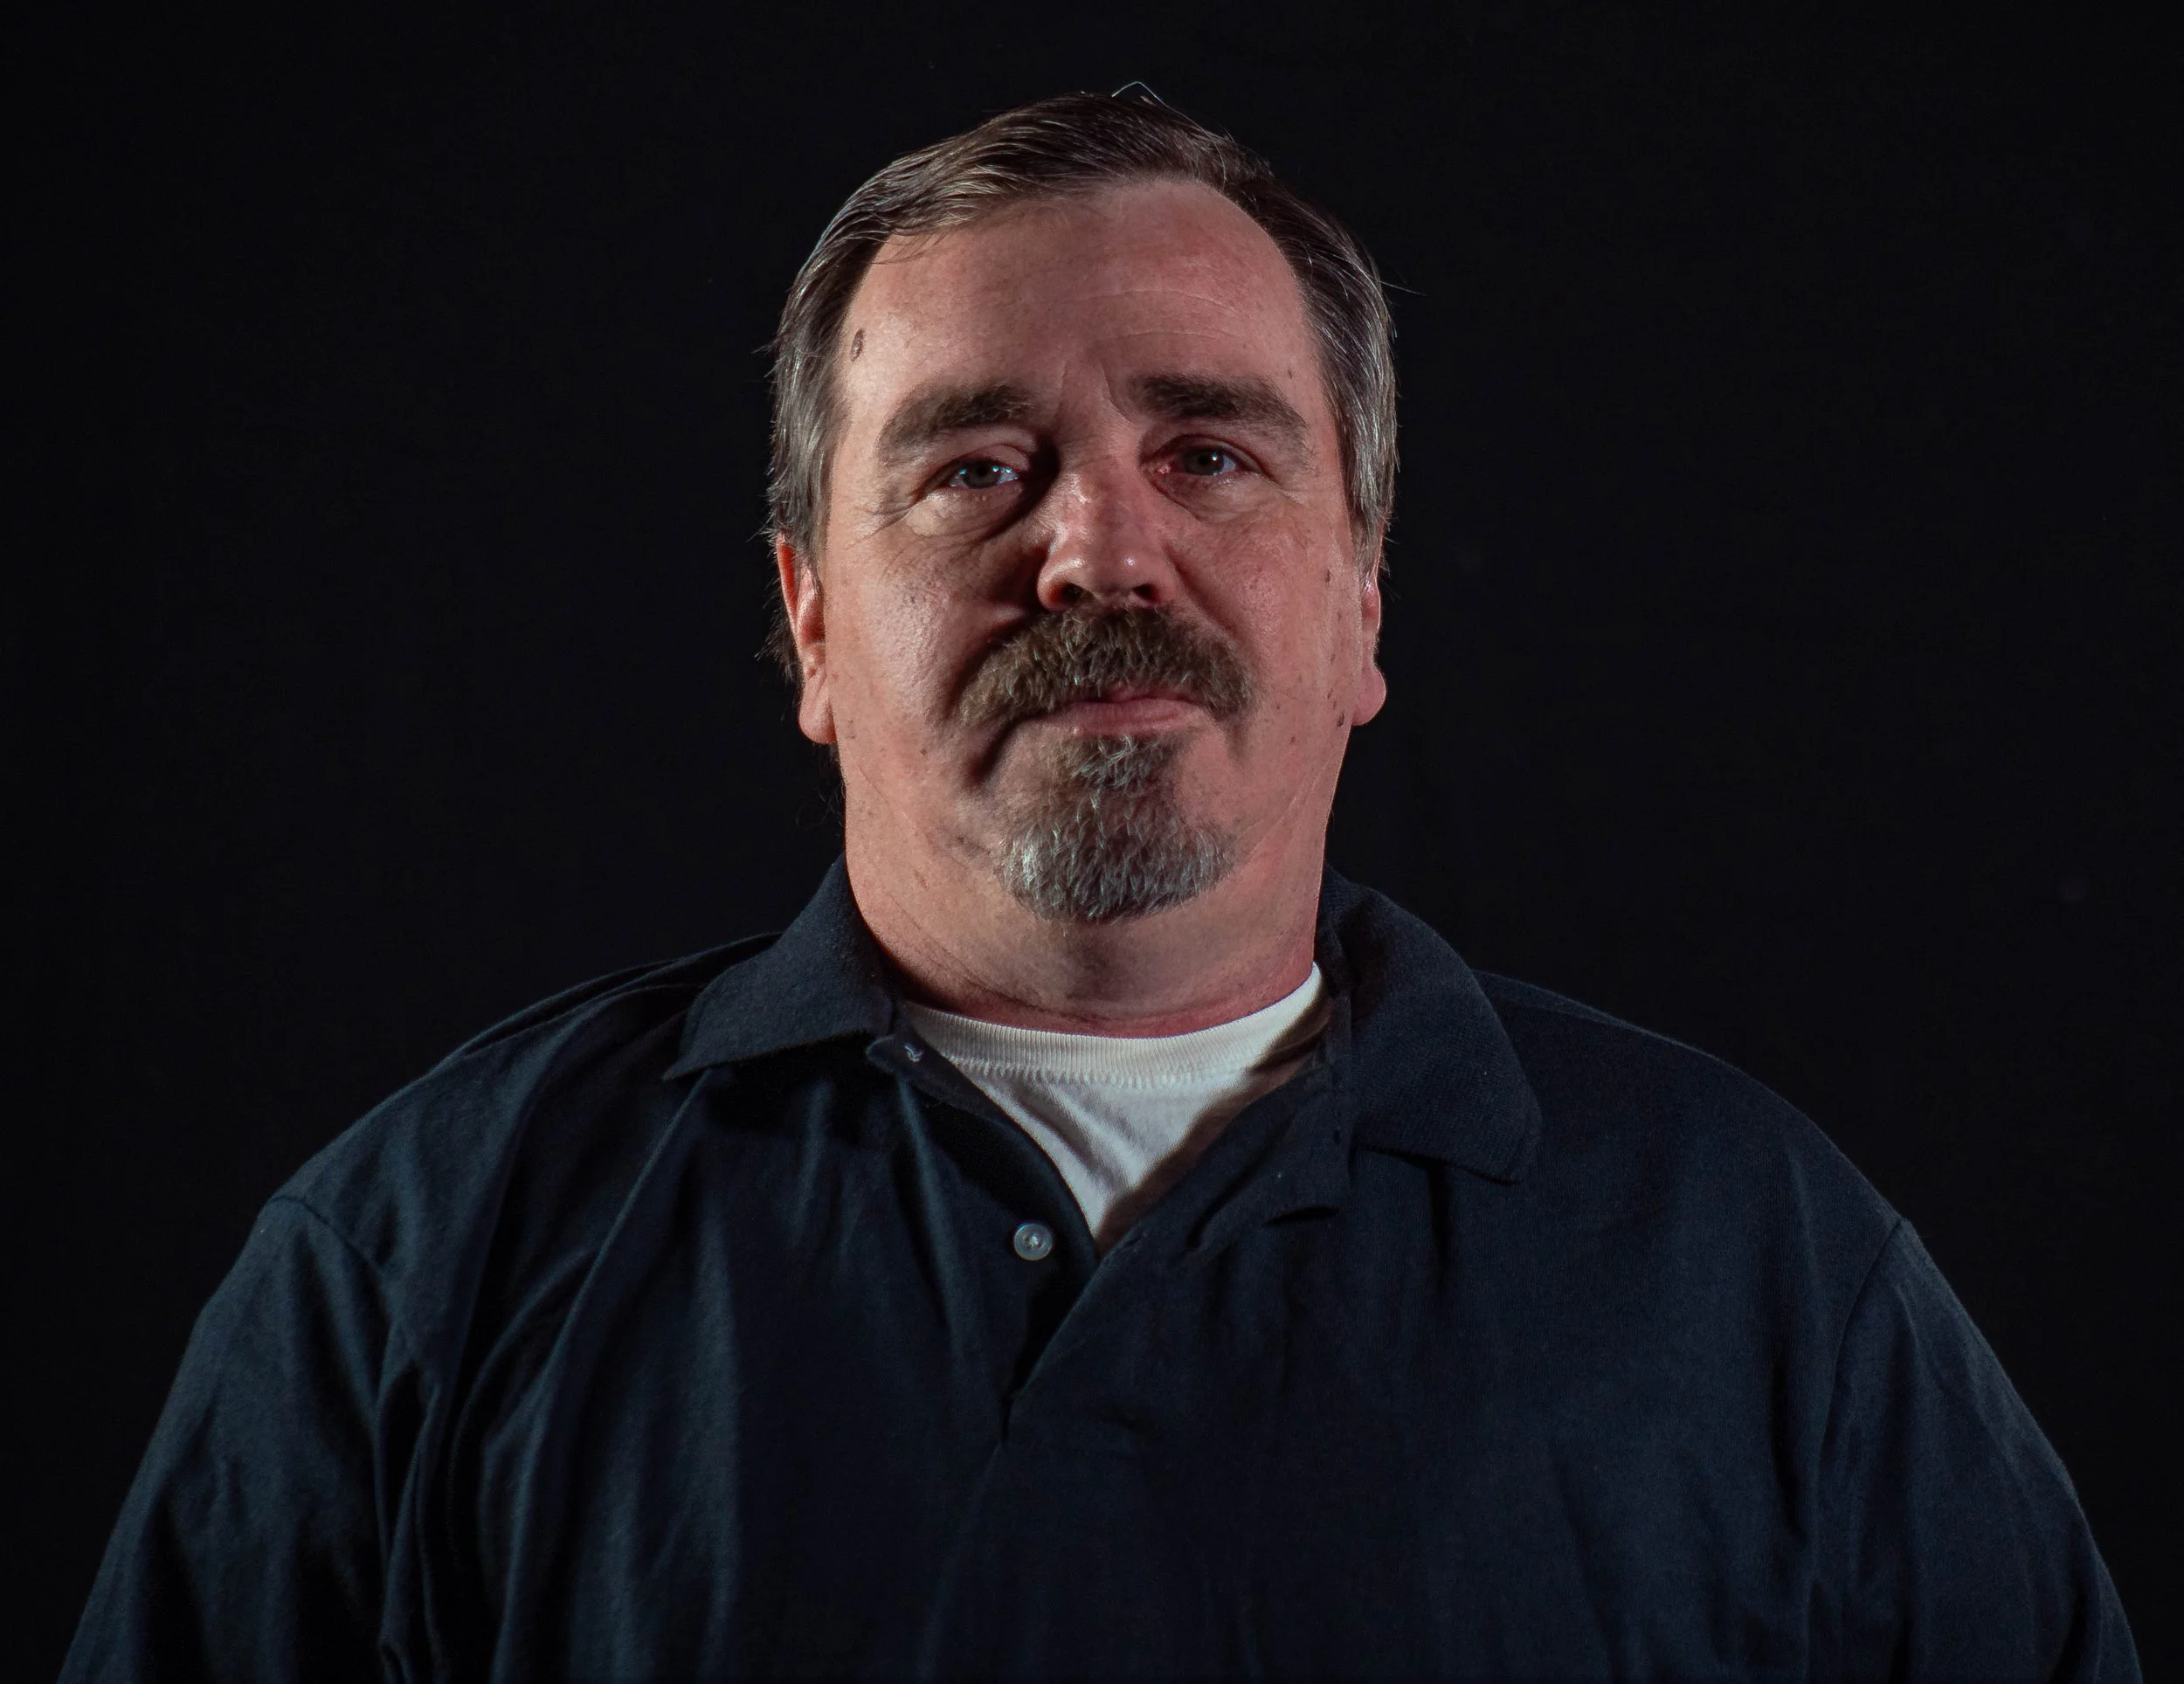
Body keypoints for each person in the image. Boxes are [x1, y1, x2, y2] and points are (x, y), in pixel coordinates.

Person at [64, 92, 2136, 1681]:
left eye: (1211, 454)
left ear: (1359, 600)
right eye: (976, 467)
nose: (1098, 556)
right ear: (805, 625)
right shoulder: (419, 1263)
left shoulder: (1757, 1272)